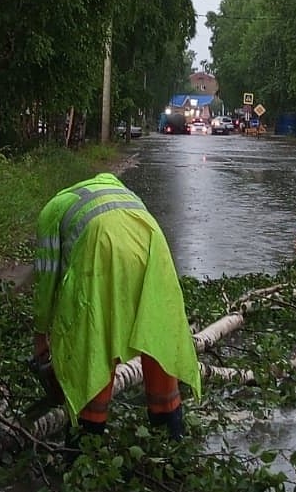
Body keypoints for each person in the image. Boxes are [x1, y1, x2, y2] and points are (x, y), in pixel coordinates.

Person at [31, 173, 200, 441]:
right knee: (158, 331)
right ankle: (170, 430)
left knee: (94, 333)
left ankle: (87, 439)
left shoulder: (52, 211)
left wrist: (41, 335)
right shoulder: (123, 194)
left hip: (101, 244)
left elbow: (48, 278)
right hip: (153, 243)